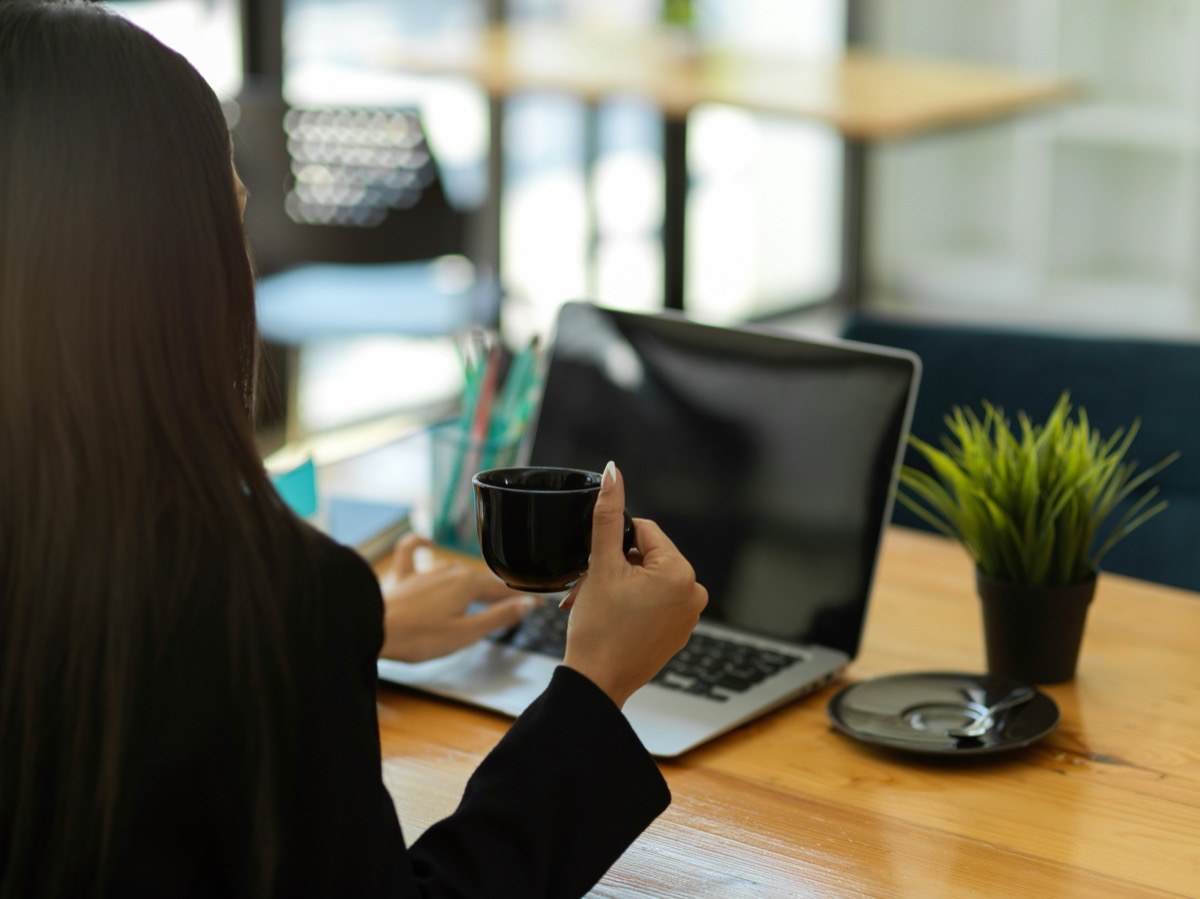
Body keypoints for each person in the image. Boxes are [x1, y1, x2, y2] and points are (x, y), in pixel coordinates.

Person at [0, 2, 708, 897]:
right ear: (168, 274)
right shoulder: (269, 601)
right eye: (236, 222)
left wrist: (355, 636)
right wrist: (594, 689)